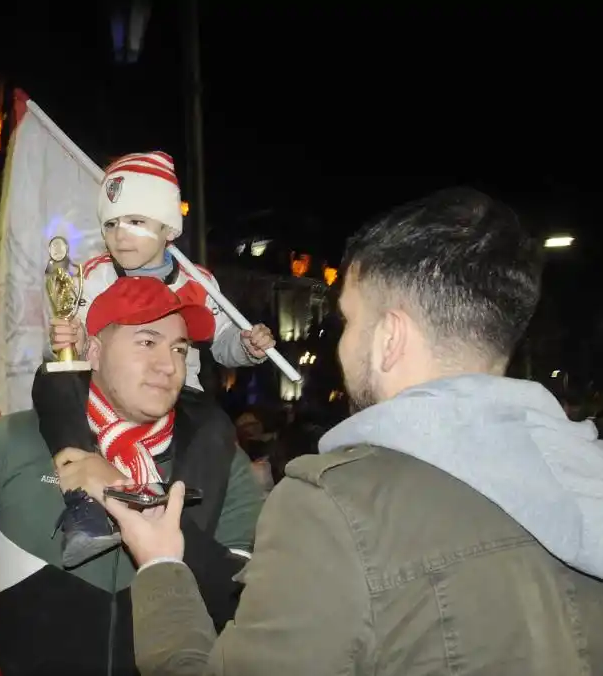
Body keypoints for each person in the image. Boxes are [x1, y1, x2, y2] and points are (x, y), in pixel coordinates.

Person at [102, 187, 603, 675]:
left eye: (350, 320)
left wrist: (161, 568)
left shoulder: (332, 509)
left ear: (390, 337)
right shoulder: (588, 475)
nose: (342, 346)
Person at [0, 276, 264, 676]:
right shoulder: (10, 441)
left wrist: (128, 492)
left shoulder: (222, 459)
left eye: (179, 348)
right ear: (94, 352)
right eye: (147, 342)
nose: (169, 365)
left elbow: (246, 599)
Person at [42, 151, 275, 565]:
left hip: (180, 394)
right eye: (111, 223)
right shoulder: (93, 273)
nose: (120, 234)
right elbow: (77, 340)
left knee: (215, 424)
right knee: (52, 377)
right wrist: (72, 338)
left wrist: (246, 347)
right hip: (106, 395)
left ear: (168, 227)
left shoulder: (199, 282)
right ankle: (85, 503)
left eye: (136, 221)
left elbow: (221, 343)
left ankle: (186, 538)